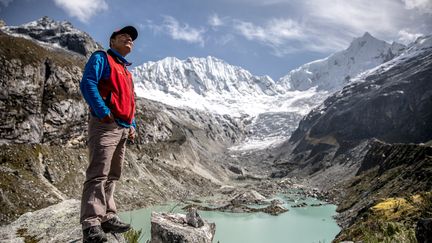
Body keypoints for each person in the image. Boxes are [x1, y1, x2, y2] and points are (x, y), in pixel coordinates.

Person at [79, 25, 138, 243]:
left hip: (121, 128)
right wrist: (103, 113)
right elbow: (88, 84)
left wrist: (131, 124)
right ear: (112, 41)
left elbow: (130, 101)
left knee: (113, 174)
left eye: (132, 38)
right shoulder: (102, 58)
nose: (129, 38)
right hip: (105, 125)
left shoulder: (126, 71)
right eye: (124, 35)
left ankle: (107, 216)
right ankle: (91, 224)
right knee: (98, 173)